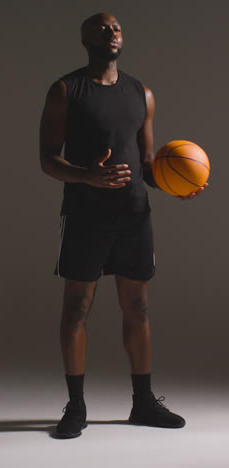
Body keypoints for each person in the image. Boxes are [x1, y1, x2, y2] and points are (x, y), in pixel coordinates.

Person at [39, 12, 208, 439]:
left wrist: (172, 185)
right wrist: (85, 175)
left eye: (116, 27)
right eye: (101, 26)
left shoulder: (141, 93)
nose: (111, 31)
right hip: (84, 216)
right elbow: (46, 158)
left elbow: (149, 163)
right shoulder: (65, 90)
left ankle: (143, 404)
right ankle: (75, 407)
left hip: (134, 217)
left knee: (138, 308)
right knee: (76, 308)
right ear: (85, 38)